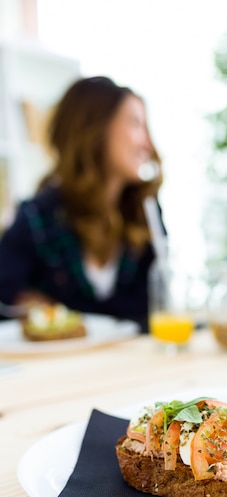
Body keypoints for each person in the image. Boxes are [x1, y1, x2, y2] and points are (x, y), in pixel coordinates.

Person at [0, 76, 164, 329]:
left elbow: (158, 308)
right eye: (135, 124)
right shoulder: (36, 218)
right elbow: (6, 300)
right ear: (95, 128)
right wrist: (26, 306)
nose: (148, 143)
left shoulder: (145, 213)